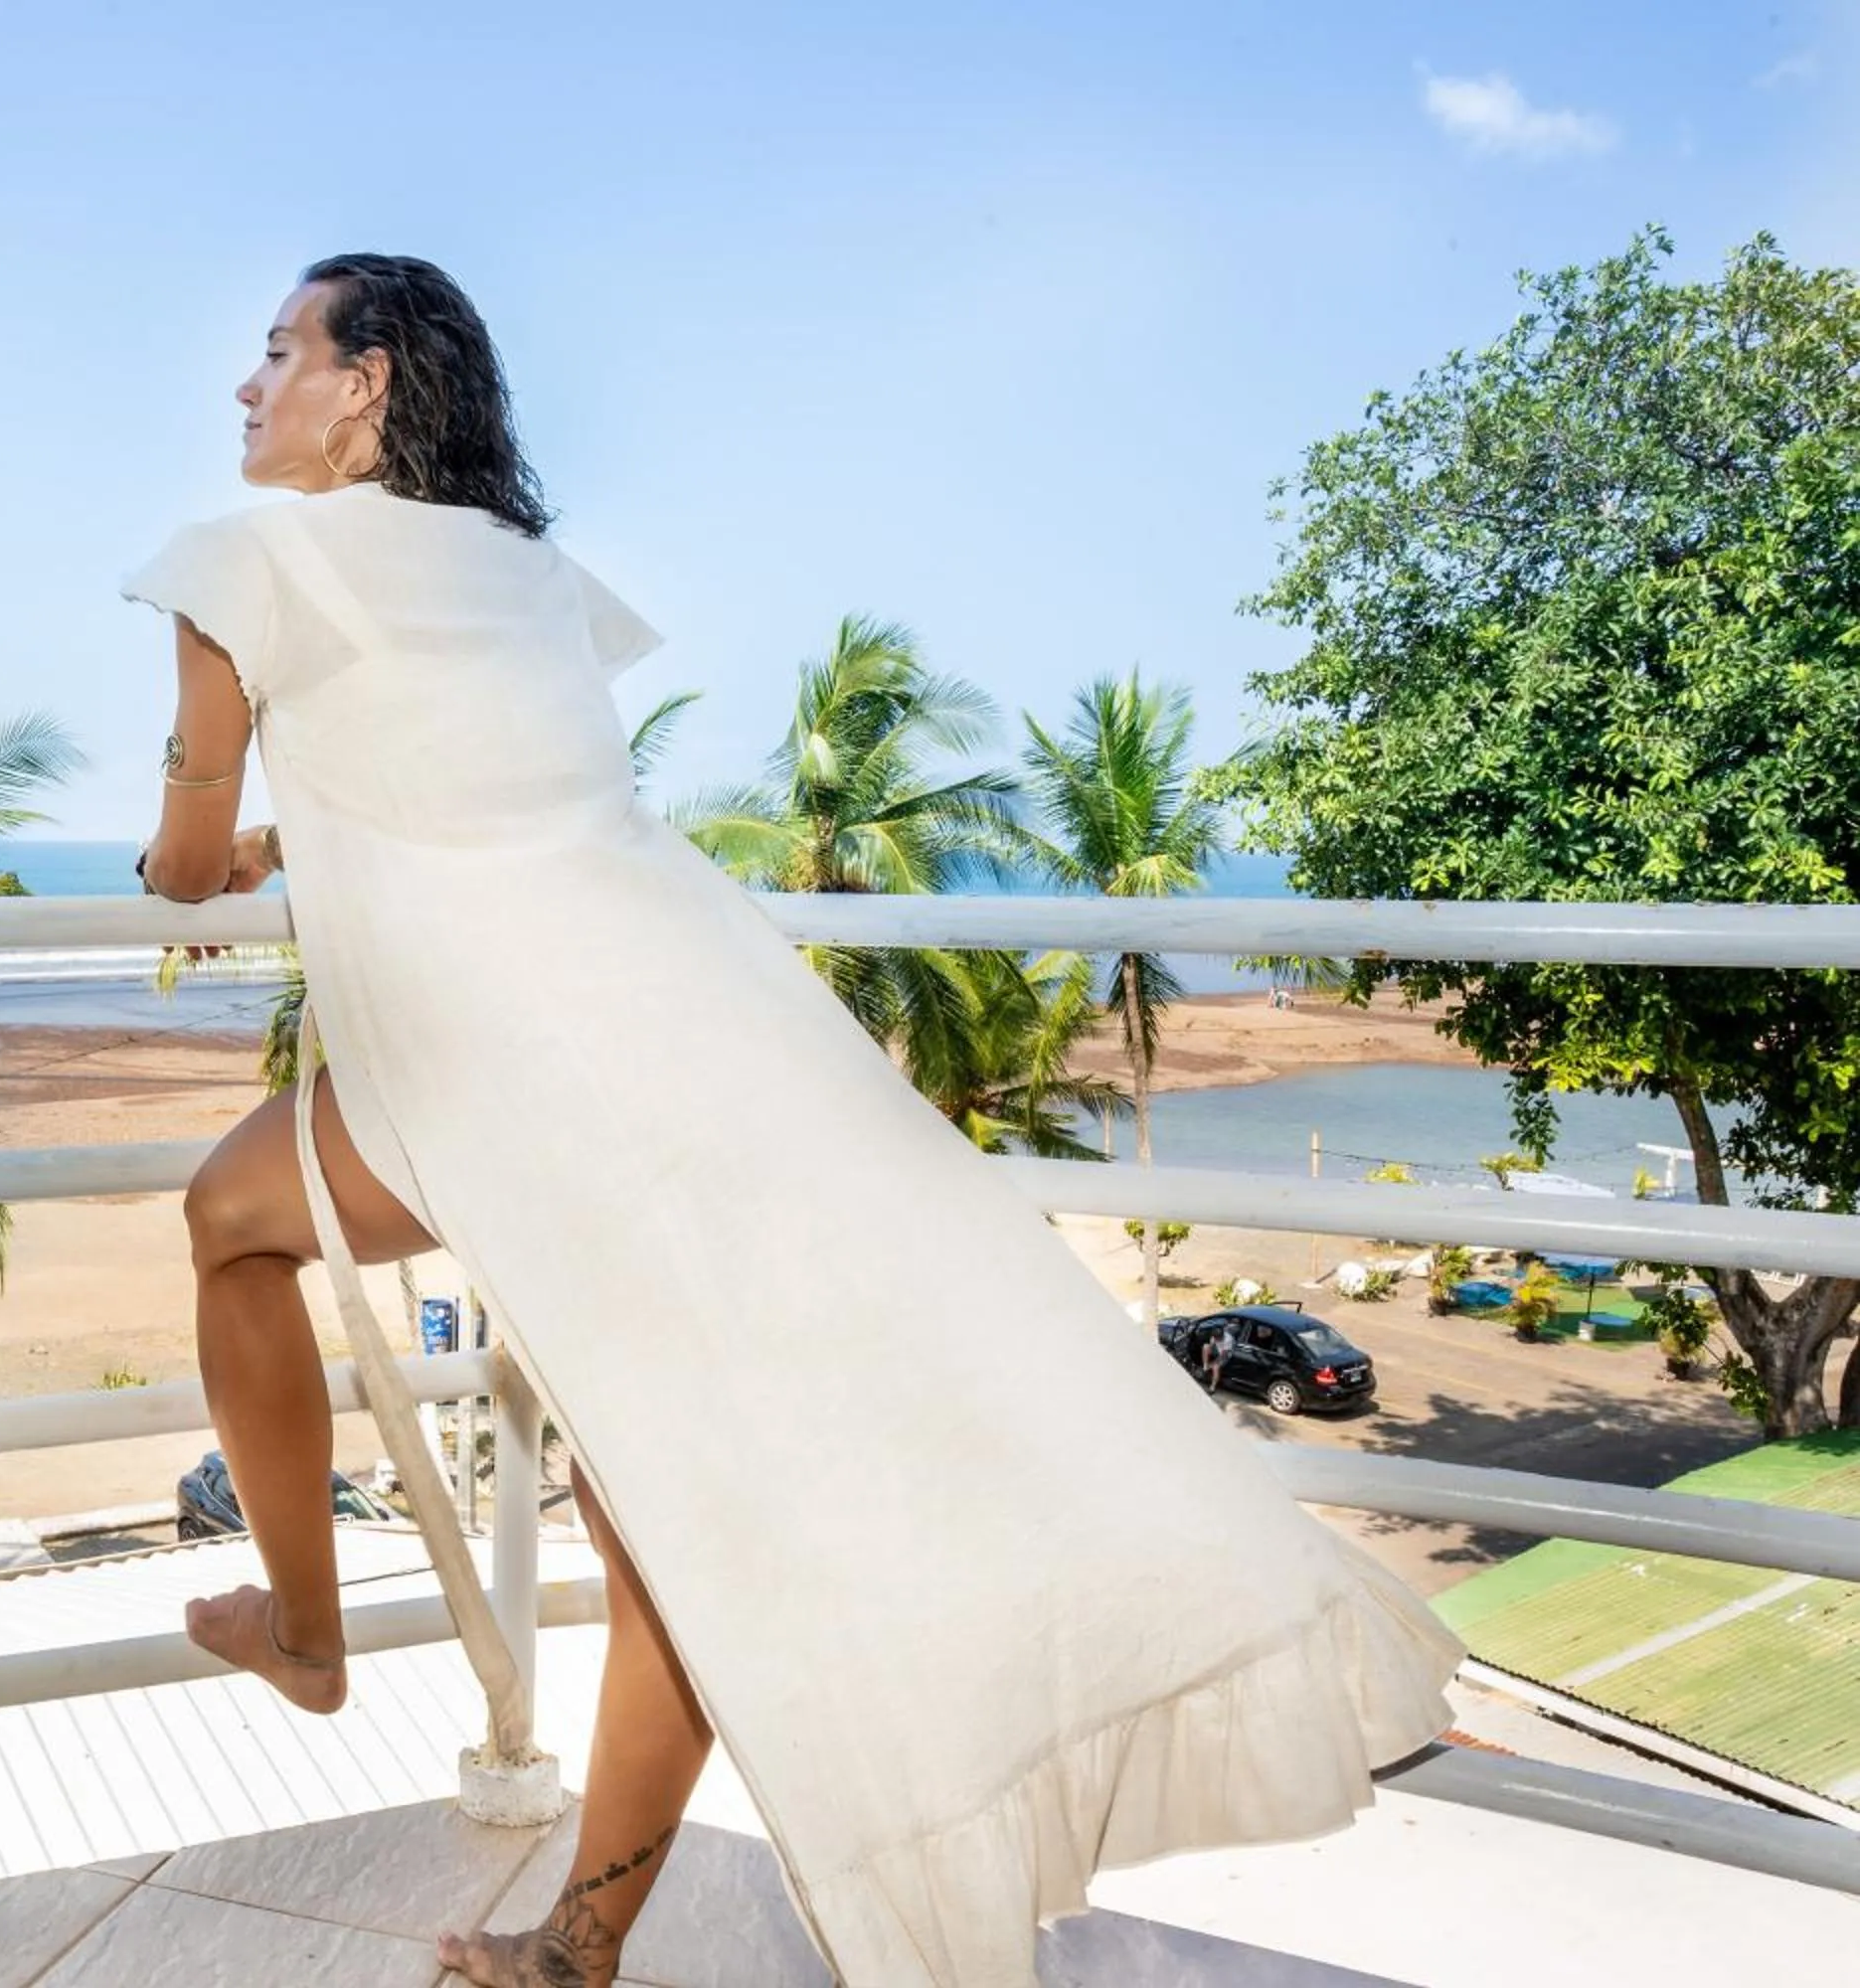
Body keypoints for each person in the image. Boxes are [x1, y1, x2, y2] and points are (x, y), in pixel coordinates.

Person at [124, 253, 1461, 1988]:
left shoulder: (238, 563)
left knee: (260, 1245)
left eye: (280, 350)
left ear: (367, 380)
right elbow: (495, 791)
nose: (248, 385)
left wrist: (217, 850)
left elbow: (173, 871)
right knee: (666, 1501)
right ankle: (570, 1929)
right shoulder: (529, 574)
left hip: (505, 1076)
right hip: (695, 1028)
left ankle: (317, 1639)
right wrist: (297, 841)